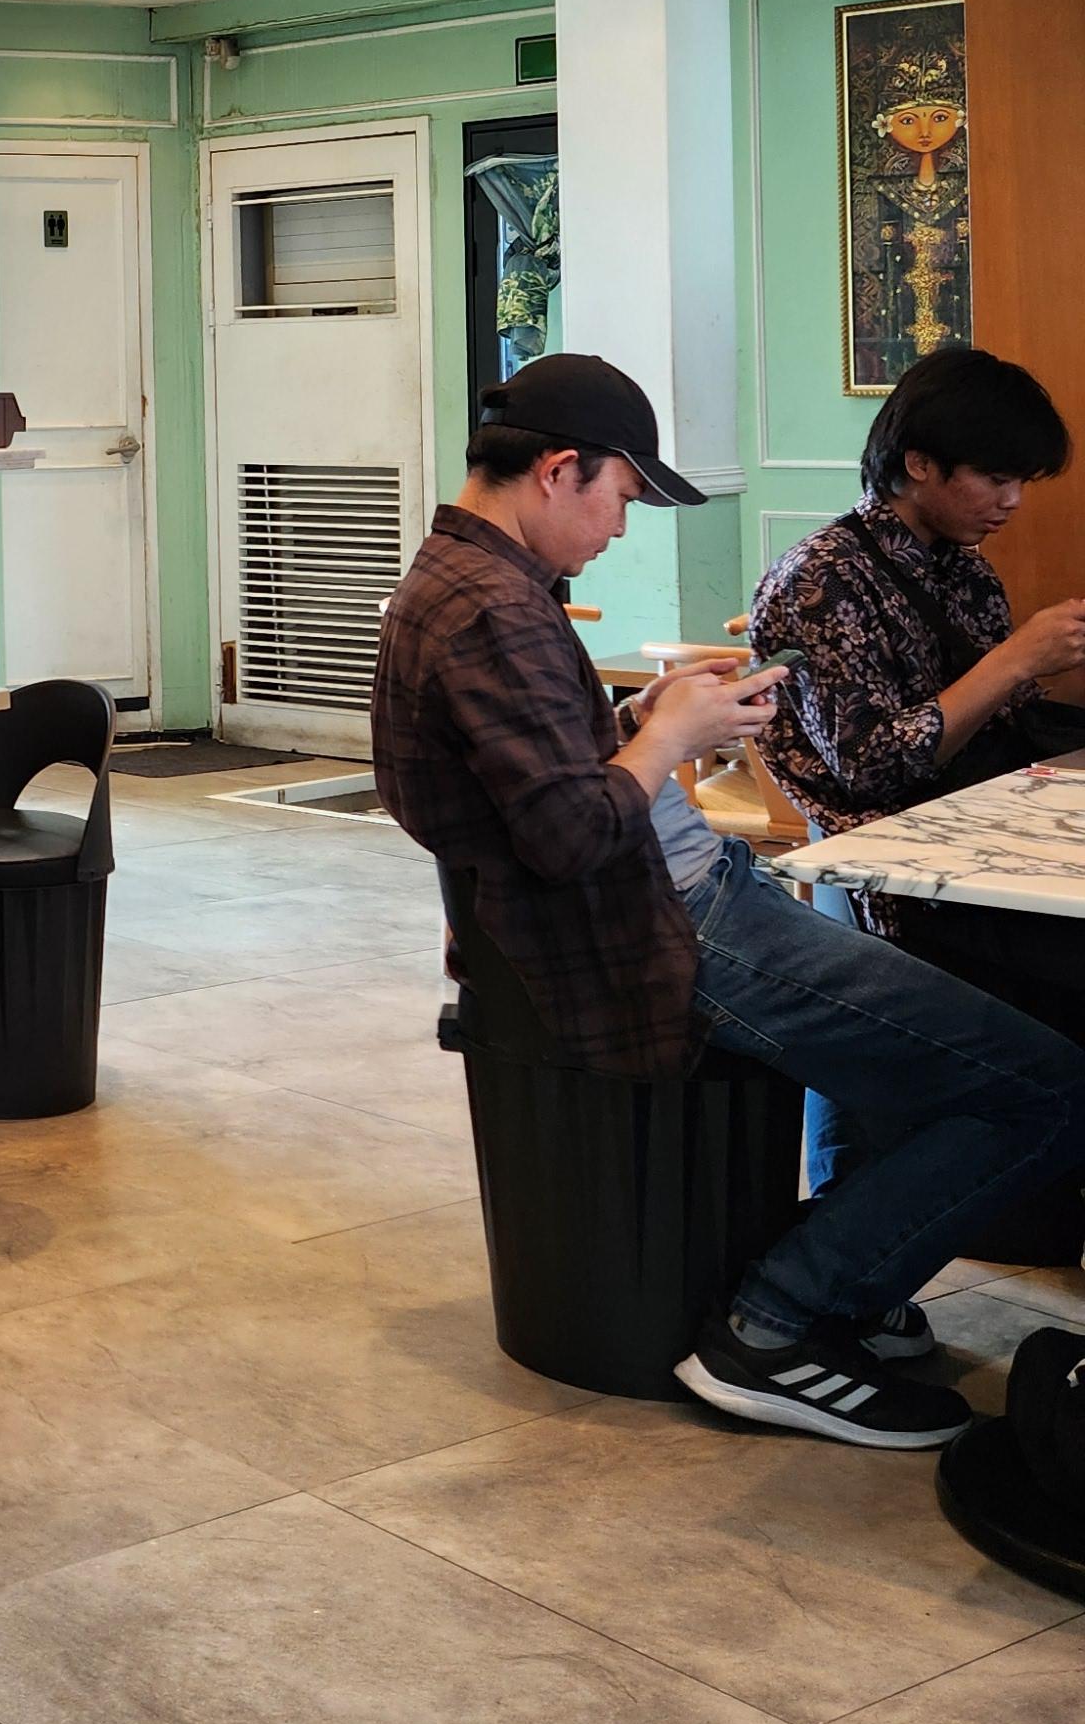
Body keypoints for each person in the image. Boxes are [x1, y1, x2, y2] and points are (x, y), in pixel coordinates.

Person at [372, 351, 1085, 1451]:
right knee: (1043, 1090)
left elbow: (524, 790)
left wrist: (635, 723)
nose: (620, 528)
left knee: (959, 1059)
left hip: (691, 895)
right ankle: (779, 1322)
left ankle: (842, 1290)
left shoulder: (465, 582)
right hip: (670, 924)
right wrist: (669, 739)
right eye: (620, 497)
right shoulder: (491, 610)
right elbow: (568, 837)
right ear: (559, 470)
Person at [748, 344, 1085, 1198]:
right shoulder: (822, 578)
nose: (1012, 501)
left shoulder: (961, 567)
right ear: (920, 463)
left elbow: (995, 727)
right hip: (889, 866)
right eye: (995, 478)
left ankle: (1028, 1195)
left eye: (1022, 481)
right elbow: (868, 767)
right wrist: (1016, 660)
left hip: (968, 845)